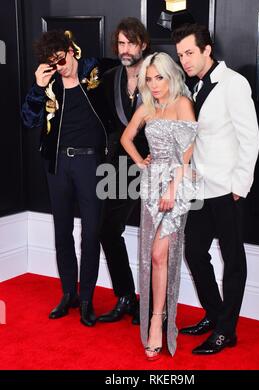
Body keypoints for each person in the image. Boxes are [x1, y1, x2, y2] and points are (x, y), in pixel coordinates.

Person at [172, 23, 259, 354]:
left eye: (190, 53)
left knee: (233, 259)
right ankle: (215, 314)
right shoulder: (192, 89)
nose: (185, 61)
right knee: (194, 251)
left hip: (228, 189)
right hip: (201, 188)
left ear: (208, 49)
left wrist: (240, 185)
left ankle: (227, 331)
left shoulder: (234, 84)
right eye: (181, 55)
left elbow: (250, 137)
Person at [22, 30, 107, 326]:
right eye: (54, 64)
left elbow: (127, 76)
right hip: (57, 165)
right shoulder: (48, 86)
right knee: (62, 232)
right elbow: (28, 120)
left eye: (62, 59)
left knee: (91, 233)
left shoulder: (95, 71)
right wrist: (37, 86)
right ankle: (68, 293)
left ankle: (87, 301)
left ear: (72, 51)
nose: (61, 67)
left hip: (90, 163)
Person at [121, 52, 199, 360]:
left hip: (176, 184)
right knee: (155, 259)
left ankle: (157, 320)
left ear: (171, 76)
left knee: (158, 253)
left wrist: (172, 187)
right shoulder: (147, 107)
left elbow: (188, 154)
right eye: (149, 79)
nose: (154, 85)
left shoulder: (183, 104)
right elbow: (127, 138)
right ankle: (158, 316)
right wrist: (141, 161)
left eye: (159, 78)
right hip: (152, 186)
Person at [97, 17, 150, 325]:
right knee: (107, 230)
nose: (125, 49)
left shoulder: (158, 75)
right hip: (121, 166)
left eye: (131, 43)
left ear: (142, 44)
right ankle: (126, 296)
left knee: (156, 237)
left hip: (156, 164)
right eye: (121, 43)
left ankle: (154, 304)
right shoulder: (110, 78)